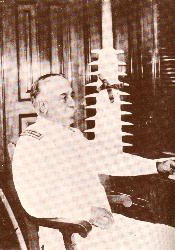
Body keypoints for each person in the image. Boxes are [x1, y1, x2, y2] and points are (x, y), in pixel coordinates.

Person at [12, 74, 175, 250]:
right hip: (71, 234)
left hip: (104, 229)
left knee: (168, 236)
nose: (73, 103)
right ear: (43, 106)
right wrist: (86, 213)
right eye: (63, 97)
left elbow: (109, 161)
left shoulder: (72, 135)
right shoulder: (32, 143)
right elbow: (33, 202)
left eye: (71, 95)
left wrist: (156, 166)